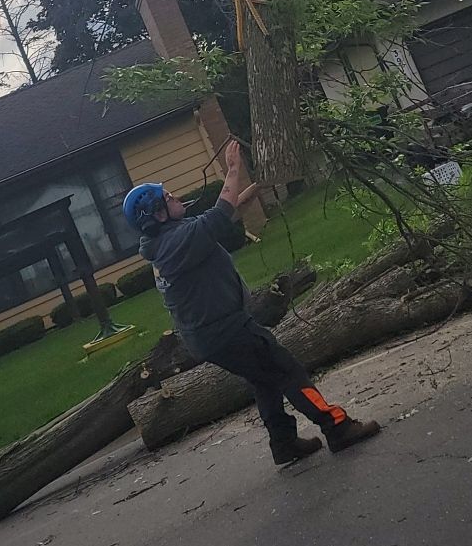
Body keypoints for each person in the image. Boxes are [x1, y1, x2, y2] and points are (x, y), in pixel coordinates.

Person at [123, 141, 380, 468]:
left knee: (264, 378)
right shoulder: (174, 243)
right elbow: (218, 218)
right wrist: (233, 168)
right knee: (285, 369)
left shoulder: (169, 237)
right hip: (226, 331)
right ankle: (337, 426)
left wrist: (259, 186)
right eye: (168, 197)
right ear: (157, 214)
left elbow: (225, 215)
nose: (174, 196)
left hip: (214, 334)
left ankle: (283, 444)